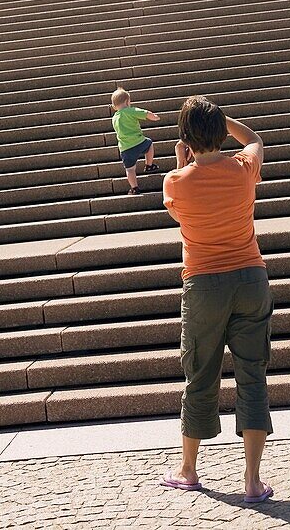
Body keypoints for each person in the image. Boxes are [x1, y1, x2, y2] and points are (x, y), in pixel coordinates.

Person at [160, 95, 274, 504]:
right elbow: (255, 138)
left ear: (186, 137)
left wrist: (183, 160)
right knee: (252, 375)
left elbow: (177, 210)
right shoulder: (244, 169)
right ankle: (252, 480)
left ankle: (188, 470)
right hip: (250, 279)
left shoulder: (175, 181)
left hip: (204, 284)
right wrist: (225, 124)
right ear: (221, 131)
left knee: (200, 375)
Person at [110, 86, 160, 195]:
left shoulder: (114, 118)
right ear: (127, 102)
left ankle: (134, 188)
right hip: (139, 142)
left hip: (125, 148)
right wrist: (154, 117)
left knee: (130, 169)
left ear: (114, 106)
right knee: (149, 143)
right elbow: (144, 113)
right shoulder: (130, 111)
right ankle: (149, 165)